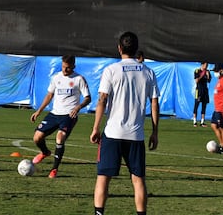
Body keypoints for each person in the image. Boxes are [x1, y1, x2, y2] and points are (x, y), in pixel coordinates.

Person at [89, 31, 160, 215]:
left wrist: (96, 127)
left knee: (103, 178)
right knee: (138, 180)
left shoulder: (111, 70)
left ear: (119, 48)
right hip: (136, 135)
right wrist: (154, 132)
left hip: (112, 134)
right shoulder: (148, 72)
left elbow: (102, 100)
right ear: (136, 50)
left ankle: (99, 213)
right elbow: (154, 102)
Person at [30, 55, 91, 178]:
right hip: (54, 114)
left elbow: (88, 98)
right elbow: (49, 95)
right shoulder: (56, 77)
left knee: (60, 137)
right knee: (37, 138)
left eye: (68, 68)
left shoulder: (79, 79)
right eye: (63, 67)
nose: (65, 70)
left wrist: (78, 107)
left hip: (69, 115)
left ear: (73, 66)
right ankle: (45, 152)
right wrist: (39, 111)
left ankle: (54, 169)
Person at [193, 62, 211, 127]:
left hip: (205, 91)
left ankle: (202, 122)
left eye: (207, 66)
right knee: (196, 105)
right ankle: (195, 122)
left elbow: (209, 81)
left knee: (204, 106)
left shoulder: (207, 71)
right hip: (199, 91)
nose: (206, 67)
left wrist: (208, 75)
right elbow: (196, 81)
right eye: (205, 65)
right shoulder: (197, 71)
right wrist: (202, 74)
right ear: (202, 65)